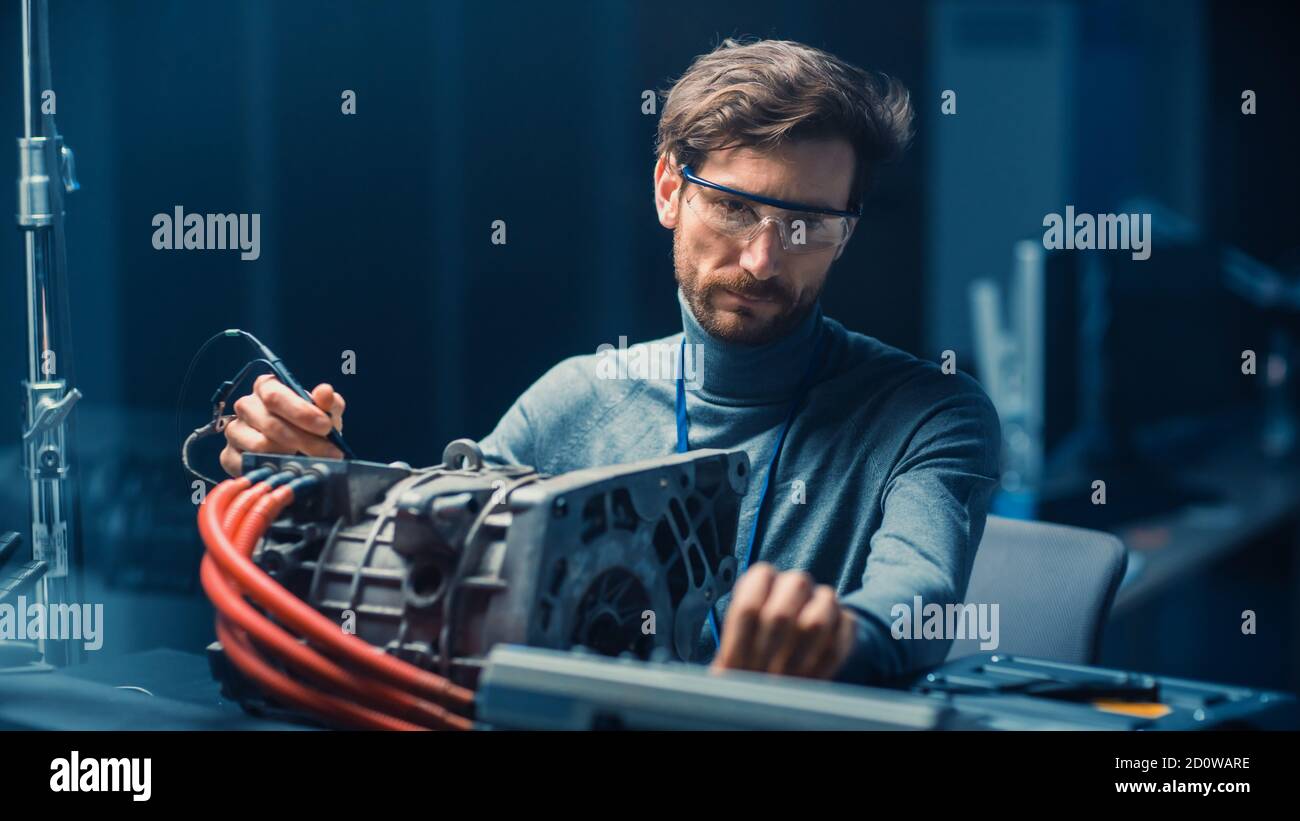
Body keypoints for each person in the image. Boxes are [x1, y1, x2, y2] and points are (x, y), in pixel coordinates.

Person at [218, 38, 1001, 686]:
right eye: (734, 207)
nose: (764, 259)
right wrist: (317, 486)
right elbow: (432, 550)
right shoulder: (577, 396)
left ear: (848, 231)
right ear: (669, 190)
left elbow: (918, 596)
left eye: (807, 225)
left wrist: (833, 640)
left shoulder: (930, 412)